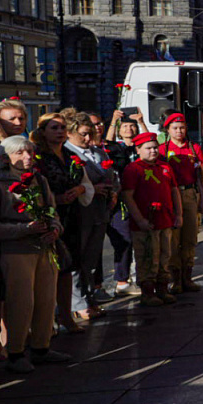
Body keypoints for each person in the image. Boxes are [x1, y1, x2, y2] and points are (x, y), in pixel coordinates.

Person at [0, 136, 69, 374]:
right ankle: (16, 352)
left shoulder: (39, 180)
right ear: (5, 158)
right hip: (15, 251)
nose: (27, 157)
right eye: (20, 153)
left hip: (44, 249)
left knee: (46, 300)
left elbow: (53, 213)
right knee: (21, 302)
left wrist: (54, 230)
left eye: (30, 152)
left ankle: (41, 347)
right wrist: (23, 229)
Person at [32, 112, 90, 332]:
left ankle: (66, 315)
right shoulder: (38, 156)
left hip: (71, 215)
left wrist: (79, 189)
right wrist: (55, 199)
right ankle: (47, 322)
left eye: (62, 128)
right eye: (54, 128)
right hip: (49, 216)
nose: (59, 132)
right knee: (49, 269)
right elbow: (34, 187)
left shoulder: (69, 154)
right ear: (43, 131)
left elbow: (84, 181)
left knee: (69, 266)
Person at [0, 98, 27, 362]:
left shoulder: (23, 148)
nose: (17, 124)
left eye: (21, 119)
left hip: (12, 222)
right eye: (11, 119)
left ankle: (14, 338)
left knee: (9, 286)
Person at [64, 114, 116, 319]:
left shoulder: (98, 152)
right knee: (77, 258)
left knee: (91, 259)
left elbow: (111, 174)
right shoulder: (67, 154)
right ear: (70, 133)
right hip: (80, 213)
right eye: (83, 135)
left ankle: (89, 298)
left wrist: (113, 191)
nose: (88, 139)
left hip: (100, 211)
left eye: (90, 134)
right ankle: (78, 303)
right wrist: (92, 188)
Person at [121, 132, 181, 307]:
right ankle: (147, 292)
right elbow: (128, 196)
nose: (153, 151)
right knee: (148, 256)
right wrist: (139, 220)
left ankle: (162, 288)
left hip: (165, 220)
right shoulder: (133, 169)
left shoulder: (165, 167)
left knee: (165, 256)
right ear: (138, 149)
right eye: (148, 148)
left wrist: (178, 215)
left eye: (155, 147)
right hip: (145, 223)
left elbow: (174, 191)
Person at [159, 113, 203, 294]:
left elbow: (200, 176)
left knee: (190, 237)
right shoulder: (163, 150)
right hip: (170, 196)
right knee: (173, 240)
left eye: (182, 127)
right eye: (175, 128)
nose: (179, 131)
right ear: (168, 130)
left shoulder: (193, 148)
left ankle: (188, 277)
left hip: (189, 194)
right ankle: (176, 278)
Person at [105, 111, 141, 296]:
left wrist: (141, 121)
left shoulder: (141, 147)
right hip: (121, 199)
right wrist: (113, 120)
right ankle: (122, 281)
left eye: (132, 126)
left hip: (141, 196)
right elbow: (108, 144)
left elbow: (153, 143)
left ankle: (142, 276)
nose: (129, 128)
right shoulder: (116, 149)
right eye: (125, 126)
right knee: (124, 238)